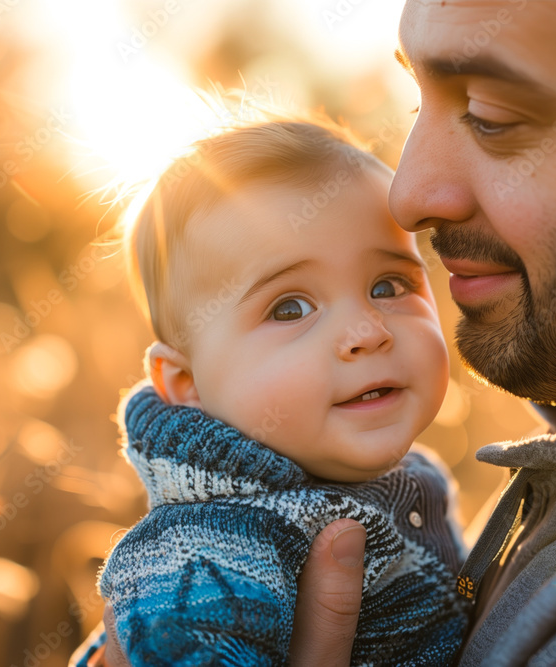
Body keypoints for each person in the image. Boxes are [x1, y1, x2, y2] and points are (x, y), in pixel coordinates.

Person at [88, 1, 556, 665]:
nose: (408, 193)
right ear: (183, 383)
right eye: (420, 102)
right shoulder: (217, 546)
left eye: (490, 116)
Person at [72, 117, 471, 666]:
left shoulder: (409, 480)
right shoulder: (207, 544)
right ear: (188, 385)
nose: (368, 332)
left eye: (389, 286)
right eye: (290, 308)